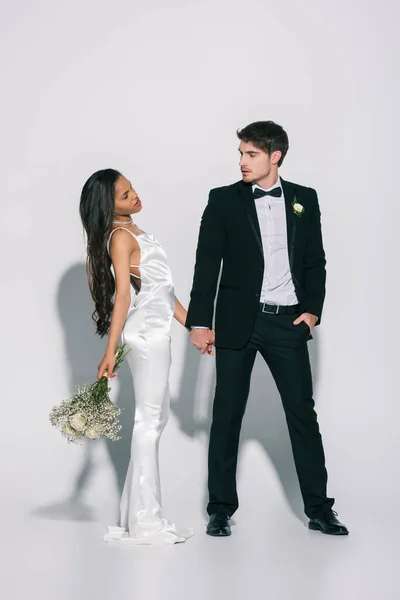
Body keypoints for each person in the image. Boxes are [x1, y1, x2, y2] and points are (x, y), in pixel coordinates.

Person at [186, 121, 348, 537]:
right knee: (227, 415)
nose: (241, 161)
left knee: (302, 415)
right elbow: (207, 265)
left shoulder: (304, 199)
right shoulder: (222, 200)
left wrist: (312, 312)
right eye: (240, 153)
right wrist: (199, 322)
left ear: (275, 156)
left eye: (251, 154)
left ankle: (319, 508)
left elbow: (315, 261)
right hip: (239, 321)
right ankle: (220, 509)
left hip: (288, 322)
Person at [79, 168, 194, 545]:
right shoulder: (120, 238)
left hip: (156, 329)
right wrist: (109, 352)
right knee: (150, 422)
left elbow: (161, 288)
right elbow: (124, 297)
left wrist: (193, 326)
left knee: (153, 422)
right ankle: (147, 521)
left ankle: (137, 514)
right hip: (146, 333)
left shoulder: (134, 232)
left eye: (132, 189)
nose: (135, 196)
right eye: (126, 195)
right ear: (107, 206)